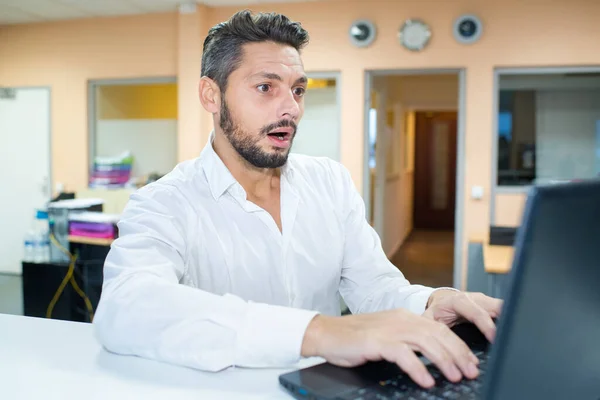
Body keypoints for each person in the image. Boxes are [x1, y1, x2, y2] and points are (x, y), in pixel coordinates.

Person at [93, 10, 502, 389]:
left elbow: (374, 286)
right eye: (265, 87)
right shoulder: (164, 202)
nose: (291, 109)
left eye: (298, 89)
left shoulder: (330, 182)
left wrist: (431, 300)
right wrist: (318, 332)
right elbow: (125, 309)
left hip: (320, 392)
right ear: (211, 96)